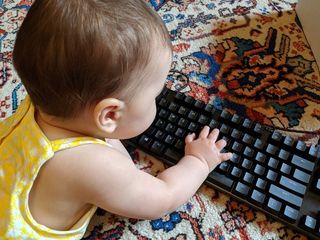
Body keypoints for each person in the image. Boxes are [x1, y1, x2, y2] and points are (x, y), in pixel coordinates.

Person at [0, 0, 232, 239]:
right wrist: (198, 161)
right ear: (109, 115)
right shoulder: (93, 165)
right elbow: (163, 198)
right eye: (155, 95)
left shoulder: (44, 103)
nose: (160, 97)